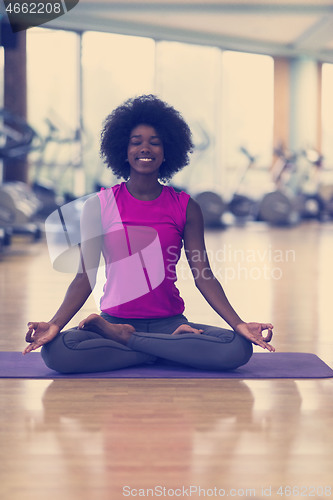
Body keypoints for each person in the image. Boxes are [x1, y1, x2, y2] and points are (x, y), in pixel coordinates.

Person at [23, 95, 274, 373]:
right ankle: (166, 351)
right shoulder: (99, 206)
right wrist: (55, 324)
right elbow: (85, 277)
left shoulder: (186, 207)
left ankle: (129, 341)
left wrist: (239, 324)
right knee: (57, 352)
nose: (145, 148)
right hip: (114, 320)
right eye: (136, 141)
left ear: (167, 151)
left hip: (170, 323)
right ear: (123, 150)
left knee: (237, 348)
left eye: (154, 142)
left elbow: (204, 276)